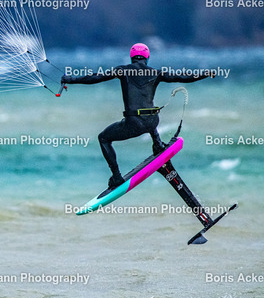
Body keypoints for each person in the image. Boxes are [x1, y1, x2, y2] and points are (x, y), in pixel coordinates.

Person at [61, 43, 214, 189]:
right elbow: (183, 77)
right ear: (147, 58)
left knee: (103, 138)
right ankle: (158, 144)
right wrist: (205, 73)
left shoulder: (123, 71)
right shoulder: (156, 72)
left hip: (134, 123)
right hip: (153, 121)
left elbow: (95, 78)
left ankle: (116, 176)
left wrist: (71, 79)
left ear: (131, 58)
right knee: (149, 113)